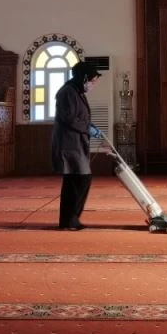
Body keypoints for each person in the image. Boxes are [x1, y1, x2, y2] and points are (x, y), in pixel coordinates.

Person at [51, 61, 103, 230]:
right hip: (69, 144)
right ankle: (69, 220)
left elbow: (80, 116)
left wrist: (91, 127)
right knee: (78, 179)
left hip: (76, 143)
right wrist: (88, 129)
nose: (94, 84)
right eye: (93, 81)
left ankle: (70, 220)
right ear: (84, 78)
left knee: (77, 180)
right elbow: (69, 118)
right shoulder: (67, 92)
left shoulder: (77, 92)